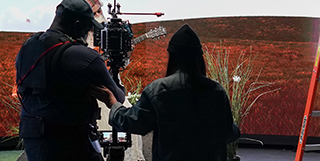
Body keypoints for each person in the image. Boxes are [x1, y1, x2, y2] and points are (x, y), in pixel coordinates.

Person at [93, 24, 240, 161]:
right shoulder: (216, 91)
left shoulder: (158, 91)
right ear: (199, 59)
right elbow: (230, 133)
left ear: (172, 57)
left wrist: (112, 102)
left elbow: (133, 122)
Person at [15, 0, 126, 161]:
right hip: (71, 144)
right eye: (88, 28)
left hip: (34, 140)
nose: (89, 33)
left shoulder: (27, 47)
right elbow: (118, 97)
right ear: (78, 26)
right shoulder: (83, 56)